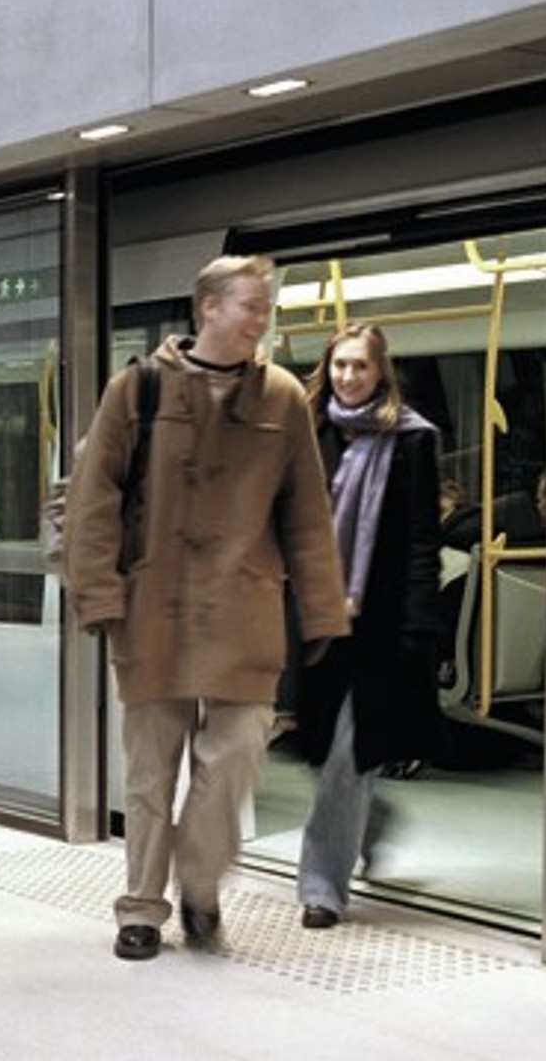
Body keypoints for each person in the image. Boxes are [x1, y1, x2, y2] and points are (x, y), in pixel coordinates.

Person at [62, 255, 348, 959]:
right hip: (152, 607)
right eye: (249, 304)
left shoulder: (281, 397)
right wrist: (98, 593)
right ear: (207, 308)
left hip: (244, 610)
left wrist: (321, 611)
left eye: (265, 305)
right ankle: (141, 908)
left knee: (236, 759)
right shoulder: (137, 389)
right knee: (152, 772)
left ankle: (199, 882)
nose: (261, 318)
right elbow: (94, 497)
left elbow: (308, 514)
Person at [293, 323, 448, 930]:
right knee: (315, 747)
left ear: (381, 371)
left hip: (379, 624)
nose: (348, 377)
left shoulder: (412, 442)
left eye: (359, 366)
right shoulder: (311, 431)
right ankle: (370, 815)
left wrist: (420, 623)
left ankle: (322, 886)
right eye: (338, 366)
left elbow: (420, 540)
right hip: (315, 618)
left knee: (345, 756)